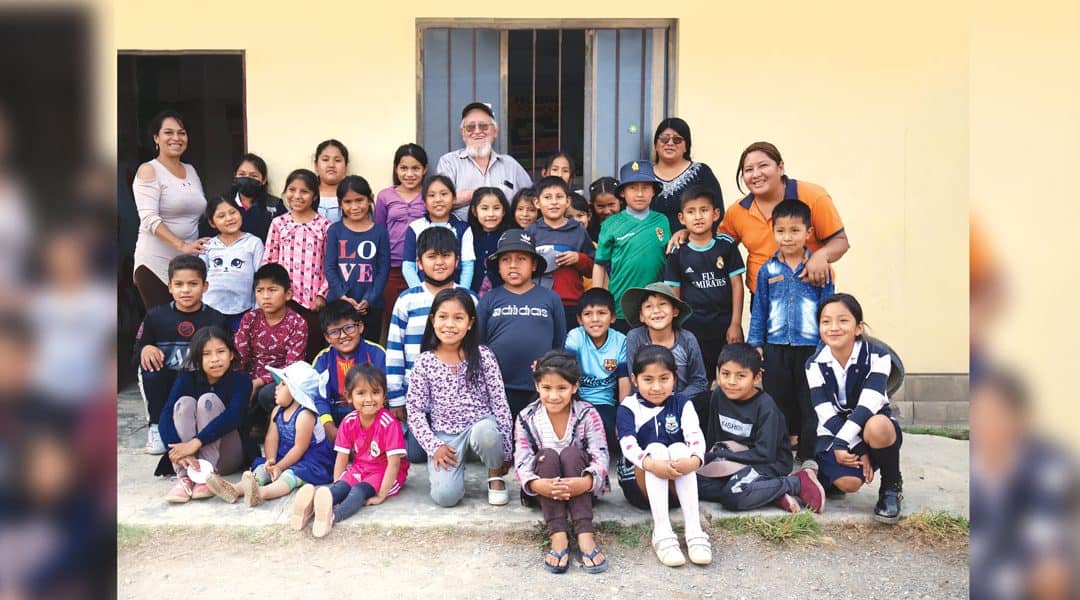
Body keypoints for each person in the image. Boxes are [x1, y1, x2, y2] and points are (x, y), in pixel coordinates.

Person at [406, 288, 513, 507]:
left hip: (480, 428)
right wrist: (434, 446)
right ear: (432, 320)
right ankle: (456, 469)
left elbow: (500, 403)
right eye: (443, 317)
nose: (450, 325)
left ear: (470, 322)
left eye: (458, 318)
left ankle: (494, 474)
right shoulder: (425, 362)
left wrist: (506, 451)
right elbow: (415, 410)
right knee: (445, 497)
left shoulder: (483, 356)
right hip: (446, 437)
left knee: (486, 433)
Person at [748, 199, 834, 465]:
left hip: (810, 348)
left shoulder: (820, 269)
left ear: (808, 233)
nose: (787, 237)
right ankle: (780, 453)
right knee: (776, 403)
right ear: (773, 232)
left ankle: (809, 455)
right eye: (781, 230)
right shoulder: (768, 270)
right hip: (775, 346)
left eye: (795, 231)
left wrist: (824, 345)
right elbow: (759, 308)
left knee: (809, 403)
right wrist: (756, 343)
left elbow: (827, 310)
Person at [806, 293, 903, 523]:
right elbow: (825, 413)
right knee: (849, 484)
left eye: (843, 320)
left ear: (858, 327)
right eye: (826, 321)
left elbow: (868, 405)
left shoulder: (879, 357)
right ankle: (820, 476)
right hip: (835, 432)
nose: (834, 327)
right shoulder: (814, 364)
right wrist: (857, 448)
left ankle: (891, 486)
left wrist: (845, 444)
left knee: (878, 425)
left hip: (871, 430)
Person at [696, 343, 824, 513]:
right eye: (725, 374)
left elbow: (765, 453)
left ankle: (794, 483)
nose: (731, 382)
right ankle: (768, 493)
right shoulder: (719, 395)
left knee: (733, 496)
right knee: (693, 484)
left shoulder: (766, 407)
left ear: (757, 377)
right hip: (734, 460)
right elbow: (715, 438)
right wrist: (711, 457)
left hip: (768, 463)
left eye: (741, 376)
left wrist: (725, 456)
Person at [514, 351, 609, 574]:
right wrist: (538, 485)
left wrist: (585, 482)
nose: (554, 396)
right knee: (547, 456)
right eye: (547, 388)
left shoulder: (587, 413)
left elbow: (601, 454)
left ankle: (585, 534)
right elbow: (522, 459)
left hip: (582, 489)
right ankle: (558, 535)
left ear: (575, 387)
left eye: (562, 388)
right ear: (537, 386)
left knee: (571, 454)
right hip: (544, 491)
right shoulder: (526, 417)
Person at [386, 227, 476, 461]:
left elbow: (476, 348)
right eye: (432, 256)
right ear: (419, 262)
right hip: (418, 396)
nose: (439, 263)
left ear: (457, 261)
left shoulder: (469, 299)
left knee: (468, 450)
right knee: (415, 455)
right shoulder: (407, 300)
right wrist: (397, 397)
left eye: (446, 256)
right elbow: (395, 349)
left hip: (459, 394)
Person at [711, 141, 849, 294]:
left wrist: (821, 256)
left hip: (811, 292)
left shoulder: (814, 196)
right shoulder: (737, 211)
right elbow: (716, 246)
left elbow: (840, 241)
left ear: (780, 167)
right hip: (763, 299)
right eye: (749, 170)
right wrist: (687, 233)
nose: (756, 174)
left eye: (763, 166)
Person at [616, 345, 710, 567]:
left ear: (674, 378)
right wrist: (650, 463)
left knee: (679, 448)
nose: (656, 387)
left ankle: (694, 530)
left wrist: (694, 460)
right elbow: (627, 445)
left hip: (675, 484)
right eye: (648, 379)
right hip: (639, 483)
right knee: (656, 448)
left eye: (664, 378)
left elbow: (695, 436)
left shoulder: (682, 403)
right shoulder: (629, 406)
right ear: (635, 379)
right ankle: (662, 532)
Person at [293, 364, 408, 538]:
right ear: (349, 397)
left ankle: (331, 517)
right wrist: (338, 482)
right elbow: (342, 456)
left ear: (384, 395)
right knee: (341, 488)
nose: (369, 398)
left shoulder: (389, 423)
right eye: (361, 393)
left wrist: (381, 495)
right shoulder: (349, 421)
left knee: (358, 492)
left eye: (375, 392)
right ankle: (310, 509)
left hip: (384, 472)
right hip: (360, 468)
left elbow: (394, 463)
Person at [205, 361, 335, 507]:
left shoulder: (305, 415)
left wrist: (280, 467)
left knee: (289, 476)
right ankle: (236, 489)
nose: (276, 388)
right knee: (262, 469)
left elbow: (300, 448)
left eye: (283, 384)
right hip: (285, 455)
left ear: (297, 392)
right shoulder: (277, 410)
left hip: (311, 460)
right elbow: (271, 438)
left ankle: (261, 493)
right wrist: (271, 460)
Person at [135, 255, 227, 455]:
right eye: (179, 284)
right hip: (167, 379)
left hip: (199, 379)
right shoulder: (155, 315)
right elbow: (138, 348)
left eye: (193, 284)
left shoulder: (216, 318)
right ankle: (156, 427)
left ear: (205, 286)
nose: (185, 290)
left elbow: (226, 355)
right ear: (170, 287)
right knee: (150, 370)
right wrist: (146, 348)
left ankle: (203, 427)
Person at [476, 229, 566, 419]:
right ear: (498, 266)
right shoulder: (489, 299)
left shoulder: (551, 298)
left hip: (540, 387)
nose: (513, 265)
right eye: (506, 260)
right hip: (498, 388)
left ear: (533, 264)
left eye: (521, 259)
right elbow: (478, 344)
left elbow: (558, 343)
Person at [157, 326, 253, 503]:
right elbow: (166, 414)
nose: (215, 359)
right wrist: (179, 450)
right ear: (197, 359)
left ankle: (208, 475)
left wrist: (195, 443)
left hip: (226, 455)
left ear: (231, 354)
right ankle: (185, 476)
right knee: (183, 403)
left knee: (207, 400)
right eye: (206, 354)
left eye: (221, 351)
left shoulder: (242, 381)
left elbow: (233, 416)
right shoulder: (187, 377)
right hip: (189, 456)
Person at [664, 185, 745, 388]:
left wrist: (735, 323)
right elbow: (673, 293)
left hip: (723, 325)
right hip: (692, 327)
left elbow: (737, 285)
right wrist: (674, 326)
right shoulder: (678, 251)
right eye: (691, 212)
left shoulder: (726, 245)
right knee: (696, 378)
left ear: (716, 214)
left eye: (704, 210)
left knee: (726, 376)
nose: (698, 217)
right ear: (682, 218)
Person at [131, 109, 209, 310]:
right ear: (156, 138)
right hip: (156, 263)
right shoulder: (149, 170)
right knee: (164, 328)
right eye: (168, 132)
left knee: (189, 329)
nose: (176, 138)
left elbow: (198, 213)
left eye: (181, 133)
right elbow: (149, 219)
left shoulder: (191, 170)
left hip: (188, 266)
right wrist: (182, 245)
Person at [592, 160, 670, 332]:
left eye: (645, 188)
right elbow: (600, 264)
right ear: (622, 193)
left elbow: (671, 258)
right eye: (633, 188)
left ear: (653, 192)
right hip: (620, 304)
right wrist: (598, 300)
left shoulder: (662, 221)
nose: (640, 193)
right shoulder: (611, 224)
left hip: (655, 307)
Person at [262, 169, 331, 360]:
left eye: (304, 191)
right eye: (292, 190)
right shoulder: (278, 223)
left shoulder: (324, 226)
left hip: (312, 303)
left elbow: (330, 264)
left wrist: (322, 294)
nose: (297, 196)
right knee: (283, 349)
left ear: (314, 195)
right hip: (284, 301)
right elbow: (269, 261)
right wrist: (272, 292)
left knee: (312, 348)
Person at [234, 263, 308, 439]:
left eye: (272, 290)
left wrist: (258, 382)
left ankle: (271, 427)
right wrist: (240, 380)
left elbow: (291, 367)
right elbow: (240, 355)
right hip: (249, 377)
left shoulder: (297, 323)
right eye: (260, 291)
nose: (265, 296)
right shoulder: (250, 318)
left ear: (288, 294)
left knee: (268, 393)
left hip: (278, 381)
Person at [622, 282, 709, 420]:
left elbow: (699, 382)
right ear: (641, 316)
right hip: (646, 404)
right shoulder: (635, 337)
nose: (656, 310)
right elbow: (635, 381)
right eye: (648, 306)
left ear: (675, 311)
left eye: (662, 304)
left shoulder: (687, 339)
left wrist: (674, 402)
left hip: (682, 404)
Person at [436, 101, 532, 221]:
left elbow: (531, 199)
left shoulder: (510, 164)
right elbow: (441, 201)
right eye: (470, 127)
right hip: (461, 235)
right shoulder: (449, 162)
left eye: (483, 126)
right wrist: (481, 192)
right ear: (463, 133)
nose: (477, 131)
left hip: (504, 235)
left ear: (495, 132)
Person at [324, 175, 390, 342]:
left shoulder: (380, 232)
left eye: (359, 200)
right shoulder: (335, 230)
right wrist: (342, 295)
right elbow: (330, 267)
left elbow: (383, 270)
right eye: (347, 202)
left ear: (370, 199)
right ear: (340, 203)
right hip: (339, 305)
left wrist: (369, 299)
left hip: (370, 307)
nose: (354, 207)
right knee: (341, 348)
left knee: (368, 349)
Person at [311, 299, 387, 442]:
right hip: (334, 415)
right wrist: (330, 428)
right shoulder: (323, 359)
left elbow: (383, 394)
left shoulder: (376, 353)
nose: (343, 335)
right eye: (334, 332)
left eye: (349, 327)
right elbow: (320, 398)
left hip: (368, 412)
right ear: (327, 337)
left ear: (360, 327)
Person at [564, 288, 629, 453]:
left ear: (613, 317)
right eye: (588, 314)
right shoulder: (575, 336)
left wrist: (623, 416)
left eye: (602, 313)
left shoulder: (621, 341)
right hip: (577, 398)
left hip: (604, 402)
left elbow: (624, 381)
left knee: (611, 433)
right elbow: (568, 372)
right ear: (579, 319)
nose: (595, 319)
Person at [376, 143, 429, 337]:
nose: (409, 174)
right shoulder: (385, 196)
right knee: (395, 317)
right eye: (403, 168)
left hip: (423, 268)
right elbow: (379, 233)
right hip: (393, 268)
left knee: (423, 318)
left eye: (415, 168)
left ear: (425, 169)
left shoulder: (430, 195)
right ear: (396, 169)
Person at [526, 176, 595, 325]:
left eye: (559, 197)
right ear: (537, 203)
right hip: (539, 301)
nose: (554, 202)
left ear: (567, 201)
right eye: (547, 197)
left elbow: (592, 269)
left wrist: (578, 258)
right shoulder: (531, 232)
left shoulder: (578, 231)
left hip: (571, 302)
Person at [200, 194, 264, 329]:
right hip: (211, 308)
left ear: (240, 213)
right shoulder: (208, 245)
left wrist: (257, 309)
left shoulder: (253, 243)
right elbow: (200, 276)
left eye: (232, 212)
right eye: (221, 216)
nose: (229, 218)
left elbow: (261, 277)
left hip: (242, 309)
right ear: (212, 223)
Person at [650, 117, 723, 233]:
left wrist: (690, 234)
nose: (670, 143)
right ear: (655, 144)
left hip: (691, 247)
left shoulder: (701, 173)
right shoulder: (644, 176)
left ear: (686, 146)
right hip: (649, 247)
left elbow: (717, 213)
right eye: (664, 139)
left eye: (677, 140)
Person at [401, 175, 475, 289]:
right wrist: (420, 293)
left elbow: (468, 265)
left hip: (454, 295)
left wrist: (462, 293)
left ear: (454, 198)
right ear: (424, 201)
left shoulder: (463, 228)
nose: (438, 200)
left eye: (444, 194)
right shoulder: (414, 228)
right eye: (431, 195)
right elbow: (408, 266)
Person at [199, 153, 286, 243]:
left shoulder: (274, 206)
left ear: (263, 180)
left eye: (254, 176)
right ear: (235, 176)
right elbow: (206, 237)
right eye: (242, 174)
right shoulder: (222, 204)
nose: (247, 178)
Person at [466, 186, 512, 295]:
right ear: (474, 211)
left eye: (496, 208)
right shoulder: (468, 235)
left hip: (503, 295)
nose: (491, 214)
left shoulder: (510, 236)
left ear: (504, 211)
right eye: (484, 208)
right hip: (473, 294)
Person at [313, 139, 349, 222]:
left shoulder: (355, 197)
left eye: (337, 160)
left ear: (346, 166)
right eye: (325, 160)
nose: (331, 165)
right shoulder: (307, 195)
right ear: (316, 165)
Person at [586, 176, 621, 242]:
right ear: (592, 204)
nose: (607, 211)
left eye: (611, 205)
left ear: (620, 200)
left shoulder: (631, 219)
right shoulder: (589, 225)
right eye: (601, 206)